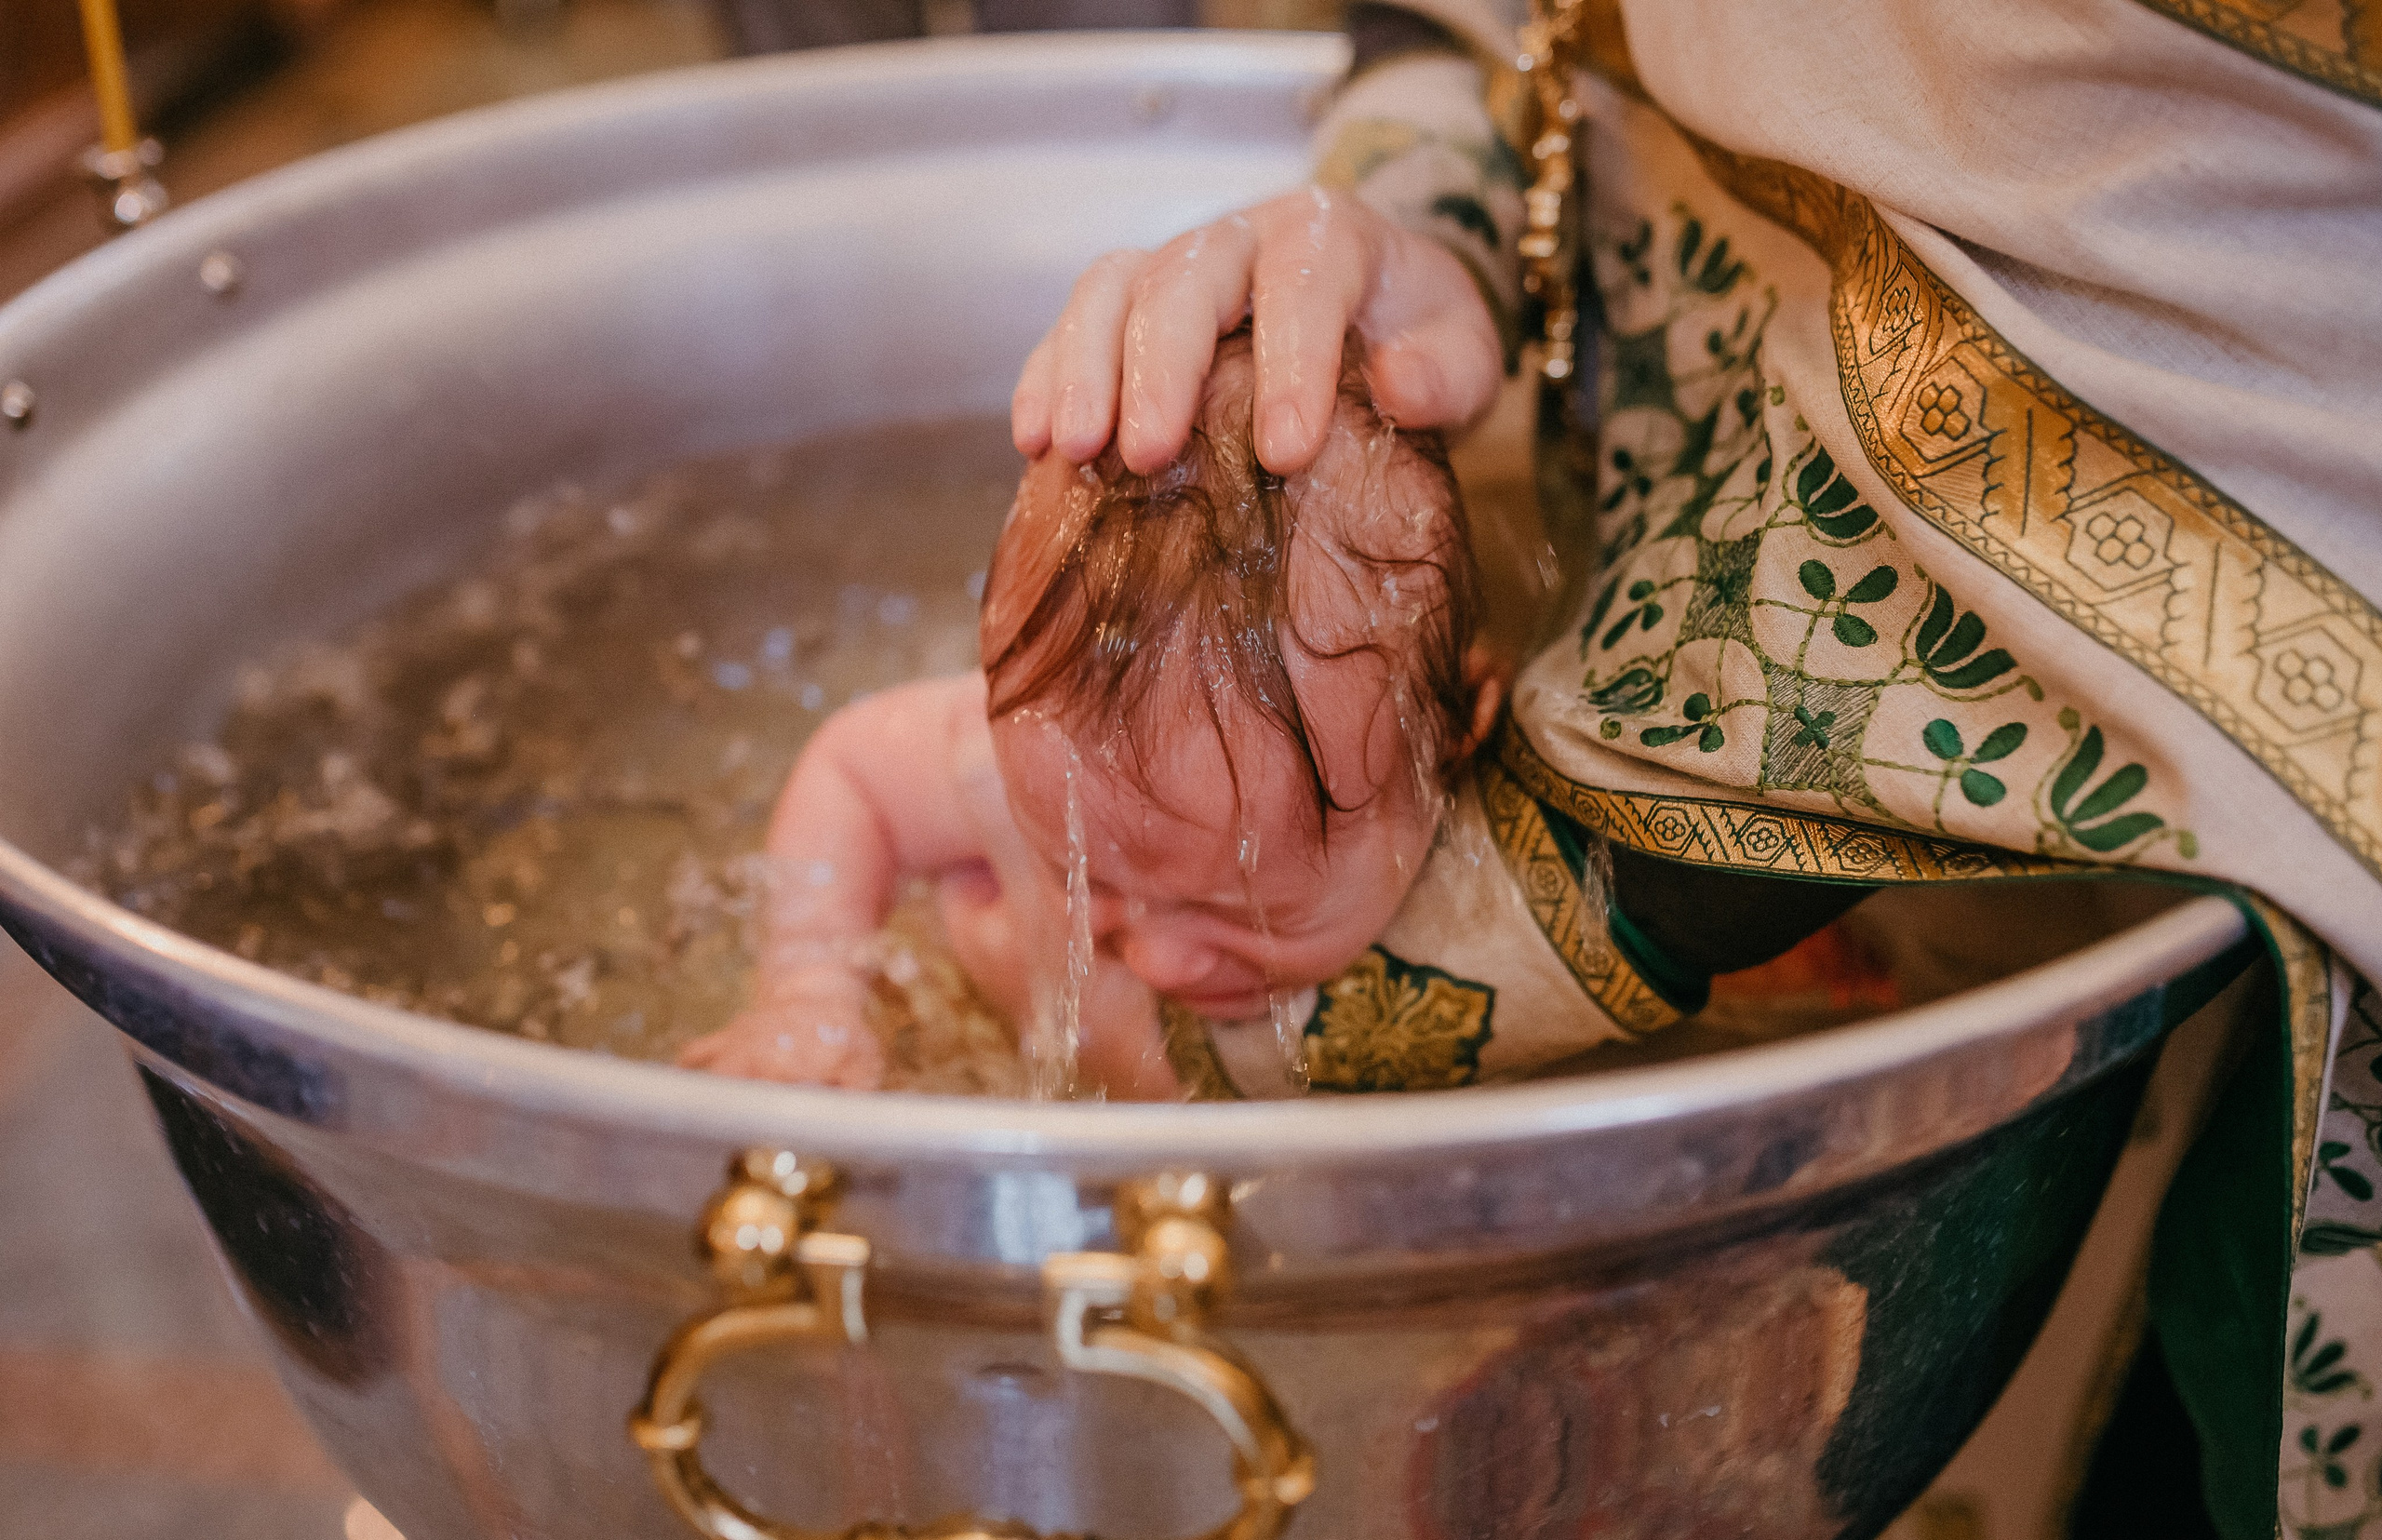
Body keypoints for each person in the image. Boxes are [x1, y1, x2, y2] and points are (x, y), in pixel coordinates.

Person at [1012, 2, 2382, 1535]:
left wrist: (1130, 1022)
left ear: (1472, 714)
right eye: (1111, 885)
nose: (1127, 929)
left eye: (1231, 886)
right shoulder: (1088, 745)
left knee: (2231, 1375)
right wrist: (1415, 220)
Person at [682, 328, 1848, 1096]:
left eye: (1241, 898)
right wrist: (808, 988)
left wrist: (1121, 1048)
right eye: (1084, 866)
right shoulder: (1045, 754)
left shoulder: (1504, 874)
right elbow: (850, 768)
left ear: (1454, 742)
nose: (1156, 950)